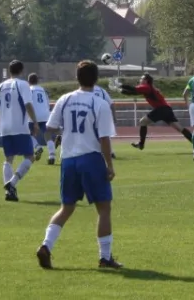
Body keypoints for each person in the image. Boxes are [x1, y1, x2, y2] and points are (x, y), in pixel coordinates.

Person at [36, 60, 121, 270]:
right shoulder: (99, 103)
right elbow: (104, 138)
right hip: (90, 158)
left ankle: (46, 245)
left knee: (66, 208)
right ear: (96, 79)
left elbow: (50, 128)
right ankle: (104, 257)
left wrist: (62, 138)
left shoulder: (64, 99)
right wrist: (109, 165)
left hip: (68, 160)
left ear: (77, 78)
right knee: (104, 208)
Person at [0, 60, 39, 202]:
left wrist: (0, 124)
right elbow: (28, 104)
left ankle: (9, 193)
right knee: (30, 157)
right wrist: (35, 122)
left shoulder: (1, 86)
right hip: (19, 127)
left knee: (9, 159)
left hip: (5, 128)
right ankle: (12, 183)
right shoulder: (22, 84)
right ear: (22, 70)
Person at [118, 74, 193, 150]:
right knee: (179, 128)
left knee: (143, 122)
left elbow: (133, 89)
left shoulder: (146, 87)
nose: (140, 80)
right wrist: (121, 91)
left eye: (141, 78)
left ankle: (141, 144)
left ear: (146, 80)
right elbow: (134, 92)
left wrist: (121, 85)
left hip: (161, 109)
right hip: (167, 109)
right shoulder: (150, 87)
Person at [54, 84, 117, 159]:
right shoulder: (101, 91)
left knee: (86, 133)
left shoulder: (77, 93)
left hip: (86, 112)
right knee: (102, 134)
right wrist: (114, 117)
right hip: (97, 113)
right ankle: (109, 152)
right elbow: (111, 104)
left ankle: (63, 138)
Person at [28, 73, 56, 164]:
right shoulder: (43, 90)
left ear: (29, 81)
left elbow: (27, 103)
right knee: (47, 134)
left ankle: (38, 147)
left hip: (33, 115)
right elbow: (47, 103)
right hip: (45, 114)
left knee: (27, 134)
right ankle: (51, 155)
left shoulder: (29, 90)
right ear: (37, 81)